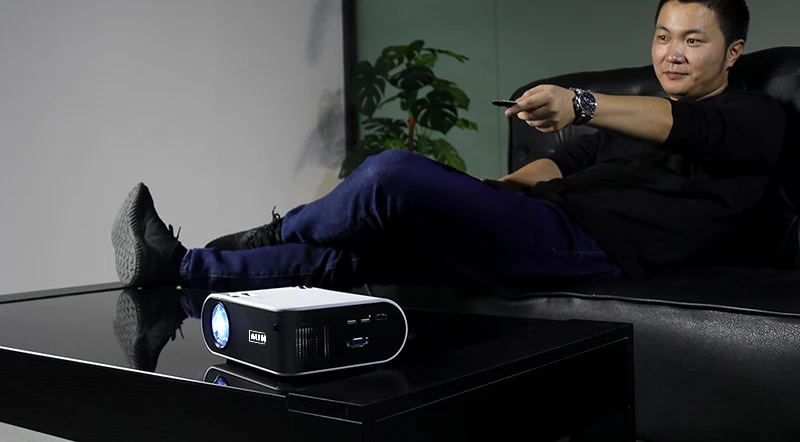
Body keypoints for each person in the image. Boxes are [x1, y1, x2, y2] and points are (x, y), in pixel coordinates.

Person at [111, 0, 785, 297]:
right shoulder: (628, 127)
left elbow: (693, 130)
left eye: (692, 40)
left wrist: (581, 103)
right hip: (542, 219)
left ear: (733, 52)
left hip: (593, 246)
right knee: (362, 252)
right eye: (663, 36)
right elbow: (564, 162)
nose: (671, 53)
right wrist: (491, 194)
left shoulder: (757, 115)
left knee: (392, 173)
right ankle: (181, 267)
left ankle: (272, 232)